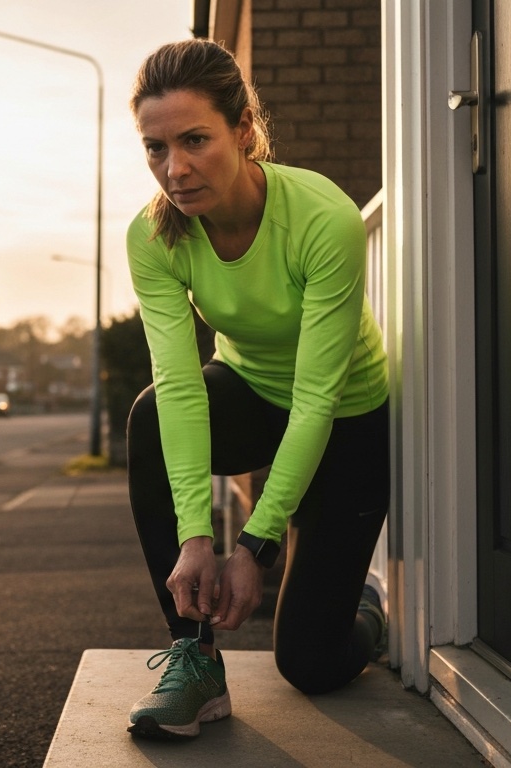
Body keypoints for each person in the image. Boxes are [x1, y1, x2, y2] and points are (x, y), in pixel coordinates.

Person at [123, 39, 391, 740]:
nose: (174, 170)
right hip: (248, 393)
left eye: (195, 140)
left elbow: (318, 400)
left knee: (309, 662)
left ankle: (366, 612)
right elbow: (180, 389)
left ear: (244, 130)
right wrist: (196, 537)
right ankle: (194, 661)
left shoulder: (320, 218)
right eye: (155, 148)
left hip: (347, 418)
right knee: (150, 416)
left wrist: (257, 546)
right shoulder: (155, 238)